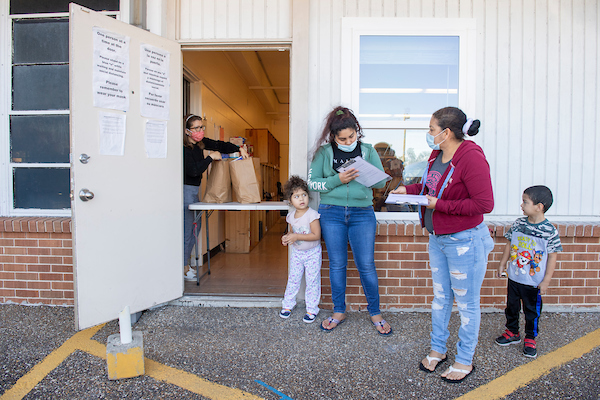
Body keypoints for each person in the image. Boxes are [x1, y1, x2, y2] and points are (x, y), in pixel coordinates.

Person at [391, 106, 494, 383]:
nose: (429, 134)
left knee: (467, 302)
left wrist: (441, 206)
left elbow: (484, 204)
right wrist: (408, 190)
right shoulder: (437, 154)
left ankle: (464, 359)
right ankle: (438, 349)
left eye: (432, 129)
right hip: (437, 239)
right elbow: (430, 186)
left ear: (446, 133)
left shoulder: (471, 158)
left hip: (464, 242)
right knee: (441, 298)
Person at [308, 106, 392, 335]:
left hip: (362, 213)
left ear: (357, 132)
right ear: (333, 137)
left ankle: (375, 312)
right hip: (331, 213)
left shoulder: (367, 150)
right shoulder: (324, 152)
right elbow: (312, 184)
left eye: (351, 137)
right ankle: (338, 310)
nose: (348, 141)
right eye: (342, 139)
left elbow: (381, 184)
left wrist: (369, 176)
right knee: (337, 264)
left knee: (366, 264)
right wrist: (338, 179)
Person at [495, 185, 562, 358]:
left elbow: (553, 257)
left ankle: (530, 338)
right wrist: (503, 263)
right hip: (515, 277)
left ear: (539, 207)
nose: (521, 205)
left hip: (533, 282)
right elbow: (509, 244)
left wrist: (546, 280)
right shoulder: (518, 224)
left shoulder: (549, 231)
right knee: (512, 307)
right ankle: (512, 332)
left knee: (532, 311)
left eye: (525, 202)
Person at [183, 114, 248, 281]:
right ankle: (183, 267)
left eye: (201, 127)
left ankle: (185, 265)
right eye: (196, 128)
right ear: (187, 131)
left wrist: (238, 148)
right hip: (185, 191)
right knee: (187, 230)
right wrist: (210, 158)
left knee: (195, 228)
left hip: (195, 190)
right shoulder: (184, 149)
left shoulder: (201, 144)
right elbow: (193, 170)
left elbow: (220, 145)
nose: (200, 131)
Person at [279, 175, 322, 323]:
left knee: (312, 281)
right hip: (297, 253)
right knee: (293, 279)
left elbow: (316, 235)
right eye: (296, 196)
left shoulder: (312, 215)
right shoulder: (290, 217)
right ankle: (288, 304)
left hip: (312, 253)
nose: (301, 198)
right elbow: (291, 233)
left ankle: (312, 309)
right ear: (290, 200)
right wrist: (287, 238)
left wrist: (296, 236)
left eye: (304, 194)